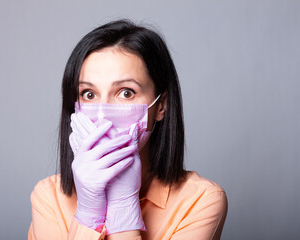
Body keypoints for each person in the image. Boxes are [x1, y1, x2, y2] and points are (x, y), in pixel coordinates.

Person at [28, 19, 228, 240]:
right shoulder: (48, 196)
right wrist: (88, 212)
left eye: (126, 92)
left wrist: (122, 202)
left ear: (161, 106)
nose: (103, 115)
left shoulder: (201, 200)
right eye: (89, 94)